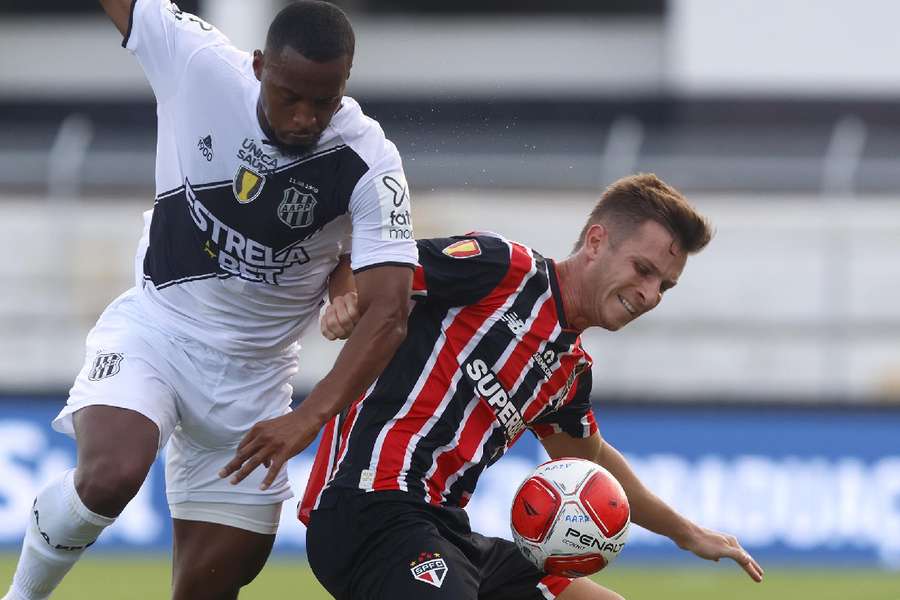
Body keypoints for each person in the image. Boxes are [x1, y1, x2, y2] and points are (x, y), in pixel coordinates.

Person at [3, 2, 416, 599]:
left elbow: (391, 311)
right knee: (111, 474)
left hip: (255, 386)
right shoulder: (197, 62)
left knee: (206, 588)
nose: (303, 118)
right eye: (288, 96)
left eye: (322, 103)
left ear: (345, 87)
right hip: (157, 332)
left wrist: (307, 414)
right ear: (257, 67)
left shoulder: (370, 162)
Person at [230, 173, 765, 599]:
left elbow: (591, 458)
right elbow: (379, 263)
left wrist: (684, 532)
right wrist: (346, 294)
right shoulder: (502, 269)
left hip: (443, 529)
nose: (650, 294)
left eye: (664, 286)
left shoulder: (569, 370)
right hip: (368, 506)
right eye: (644, 270)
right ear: (597, 241)